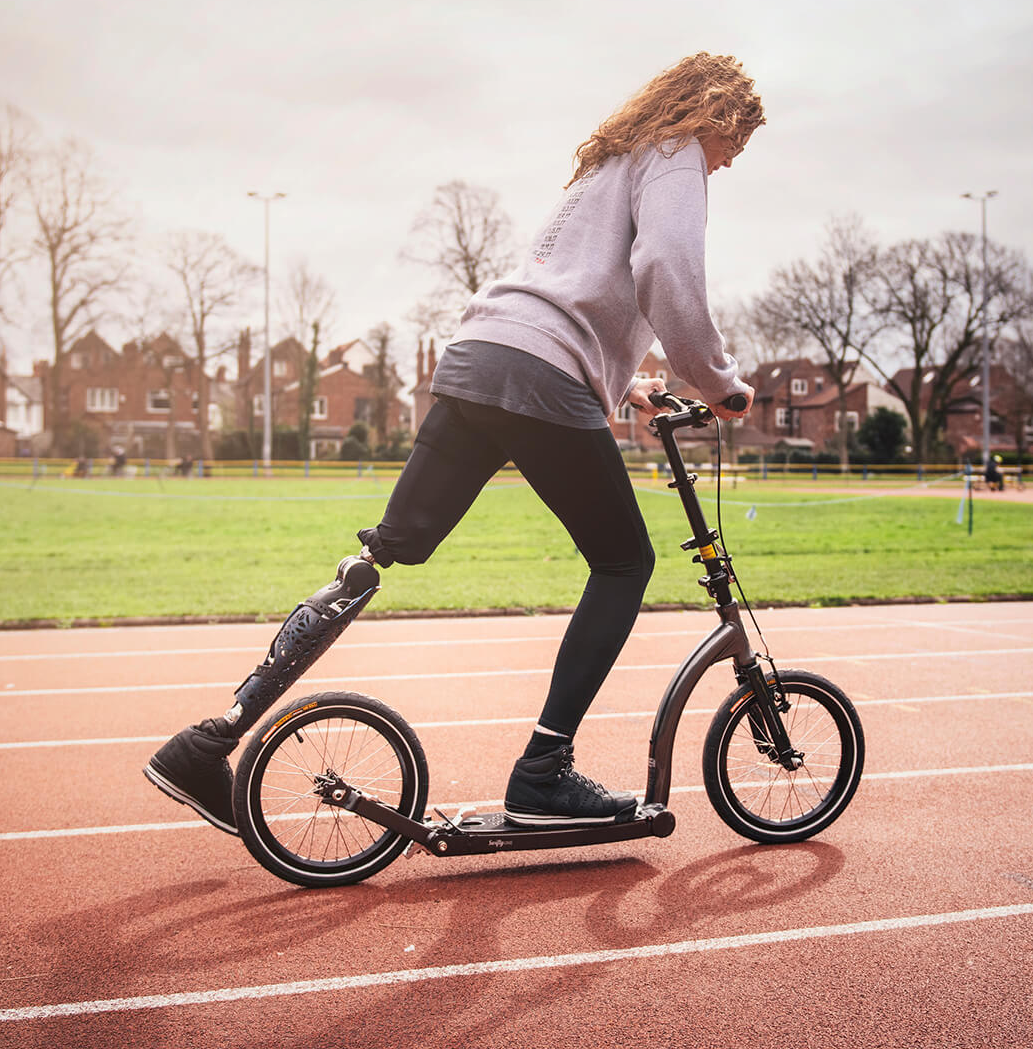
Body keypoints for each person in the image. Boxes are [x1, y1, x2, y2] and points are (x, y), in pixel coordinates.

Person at [145, 52, 762, 834]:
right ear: (715, 115)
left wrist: (628, 382)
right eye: (731, 147)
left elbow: (568, 294)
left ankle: (209, 740)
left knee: (379, 554)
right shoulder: (676, 151)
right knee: (625, 560)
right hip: (539, 377)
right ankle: (545, 769)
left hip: (478, 361)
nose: (727, 162)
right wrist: (715, 380)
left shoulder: (605, 164)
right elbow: (666, 265)